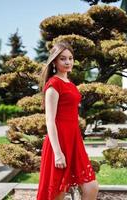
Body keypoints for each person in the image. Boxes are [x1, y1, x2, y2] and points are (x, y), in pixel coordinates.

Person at [36, 42, 99, 200]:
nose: (68, 62)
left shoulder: (69, 83)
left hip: (74, 140)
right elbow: (50, 121)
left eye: (70, 58)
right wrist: (58, 153)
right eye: (63, 58)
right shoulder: (53, 85)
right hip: (58, 143)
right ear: (55, 62)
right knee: (58, 193)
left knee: (91, 187)